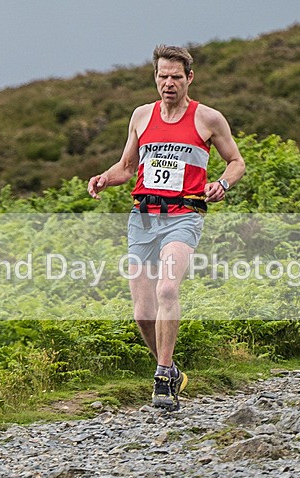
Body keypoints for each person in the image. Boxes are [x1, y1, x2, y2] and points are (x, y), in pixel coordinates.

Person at [87, 44, 245, 411]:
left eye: (175, 77)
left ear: (189, 78)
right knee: (142, 312)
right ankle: (171, 369)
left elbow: (236, 161)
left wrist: (222, 183)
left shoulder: (208, 118)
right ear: (155, 77)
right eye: (162, 76)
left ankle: (161, 377)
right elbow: (127, 167)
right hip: (143, 217)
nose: (168, 83)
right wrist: (104, 178)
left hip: (184, 215)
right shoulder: (141, 116)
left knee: (168, 288)